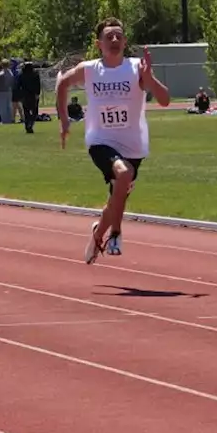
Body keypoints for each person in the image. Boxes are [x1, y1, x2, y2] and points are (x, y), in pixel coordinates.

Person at [56, 17, 170, 264]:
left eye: (119, 36)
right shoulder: (89, 69)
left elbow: (165, 100)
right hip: (100, 140)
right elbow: (62, 83)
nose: (115, 40)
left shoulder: (136, 67)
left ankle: (98, 234)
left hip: (134, 145)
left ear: (125, 41)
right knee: (124, 173)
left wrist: (149, 79)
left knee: (116, 198)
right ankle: (116, 234)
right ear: (99, 44)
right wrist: (63, 120)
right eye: (109, 37)